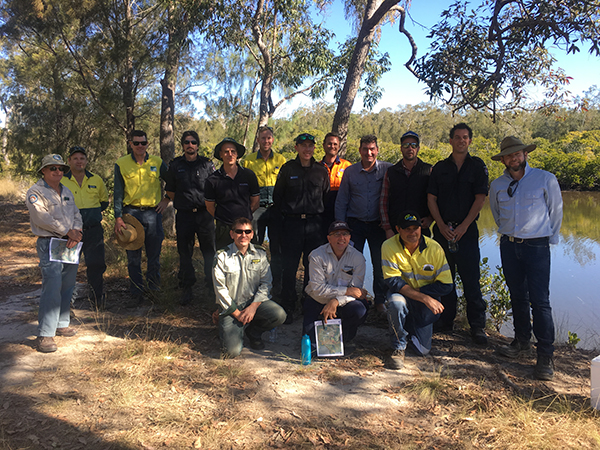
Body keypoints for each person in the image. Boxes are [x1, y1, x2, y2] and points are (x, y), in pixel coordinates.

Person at [489, 136, 563, 380]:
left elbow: (556, 213)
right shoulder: (497, 184)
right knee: (517, 296)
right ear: (503, 159)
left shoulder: (544, 179)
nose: (513, 158)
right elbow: (497, 215)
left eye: (517, 154)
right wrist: (512, 234)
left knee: (540, 302)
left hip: (537, 248)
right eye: (508, 155)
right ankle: (521, 342)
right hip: (509, 246)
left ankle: (545, 356)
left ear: (525, 155)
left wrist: (545, 240)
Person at [427, 123, 489, 345]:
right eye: (457, 137)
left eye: (465, 137)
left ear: (470, 141)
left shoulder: (478, 166)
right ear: (450, 141)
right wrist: (441, 225)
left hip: (467, 232)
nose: (461, 140)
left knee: (471, 280)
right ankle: (445, 320)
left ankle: (477, 327)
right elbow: (431, 199)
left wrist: (463, 226)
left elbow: (480, 199)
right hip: (443, 232)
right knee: (445, 279)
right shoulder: (440, 168)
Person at [381, 211, 453, 369]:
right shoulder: (388, 246)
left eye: (415, 228)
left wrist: (422, 294)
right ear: (398, 229)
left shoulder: (435, 248)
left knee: (423, 350)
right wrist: (424, 298)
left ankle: (410, 328)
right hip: (402, 294)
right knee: (395, 304)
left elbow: (446, 285)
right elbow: (393, 282)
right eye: (407, 229)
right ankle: (398, 346)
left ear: (421, 228)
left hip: (425, 296)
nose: (412, 232)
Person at [26, 154, 83, 353]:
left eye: (60, 169)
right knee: (52, 286)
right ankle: (45, 334)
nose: (58, 172)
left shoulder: (66, 190)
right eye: (53, 168)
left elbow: (76, 213)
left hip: (70, 243)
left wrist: (77, 232)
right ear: (43, 171)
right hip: (49, 242)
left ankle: (62, 323)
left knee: (68, 284)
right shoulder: (35, 192)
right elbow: (42, 217)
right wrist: (67, 231)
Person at [272, 133, 330, 323]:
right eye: (303, 145)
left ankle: (309, 301)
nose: (307, 149)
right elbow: (277, 197)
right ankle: (288, 303)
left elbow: (326, 198)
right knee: (289, 266)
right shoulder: (287, 169)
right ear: (296, 147)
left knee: (312, 266)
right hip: (292, 224)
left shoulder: (321, 171)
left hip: (315, 225)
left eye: (310, 146)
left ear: (315, 148)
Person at [213, 217, 287, 358]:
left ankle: (253, 332)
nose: (243, 235)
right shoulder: (222, 256)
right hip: (232, 307)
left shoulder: (260, 254)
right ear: (232, 234)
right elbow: (220, 289)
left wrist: (253, 306)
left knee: (279, 315)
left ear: (252, 234)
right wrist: (237, 314)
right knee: (231, 352)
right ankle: (231, 329)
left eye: (247, 231)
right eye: (239, 231)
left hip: (253, 303)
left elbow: (266, 283)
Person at [335, 134, 392, 311]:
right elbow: (342, 200)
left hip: (378, 225)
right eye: (365, 149)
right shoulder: (350, 172)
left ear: (377, 150)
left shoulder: (387, 169)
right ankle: (353, 297)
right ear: (360, 150)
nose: (369, 153)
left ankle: (380, 300)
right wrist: (340, 228)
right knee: (351, 263)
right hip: (355, 225)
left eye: (372, 149)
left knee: (379, 263)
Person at [114, 130, 170, 306]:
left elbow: (172, 181)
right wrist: (118, 217)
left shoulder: (157, 162)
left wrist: (167, 199)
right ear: (130, 144)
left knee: (154, 256)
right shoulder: (121, 164)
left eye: (143, 143)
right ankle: (136, 293)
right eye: (136, 143)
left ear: (147, 144)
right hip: (131, 215)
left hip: (153, 214)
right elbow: (117, 192)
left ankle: (154, 290)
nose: (140, 146)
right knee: (133, 258)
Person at [164, 131, 216, 305]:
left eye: (193, 142)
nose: (190, 145)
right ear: (183, 145)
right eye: (186, 142)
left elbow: (215, 188)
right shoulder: (175, 165)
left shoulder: (207, 165)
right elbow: (170, 190)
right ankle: (187, 287)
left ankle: (211, 285)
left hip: (204, 215)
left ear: (198, 145)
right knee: (184, 252)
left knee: (209, 251)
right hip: (184, 215)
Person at [304, 220, 369, 350]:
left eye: (345, 234)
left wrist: (336, 301)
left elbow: (356, 292)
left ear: (350, 237)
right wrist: (347, 291)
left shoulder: (358, 258)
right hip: (317, 300)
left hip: (343, 303)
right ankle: (321, 332)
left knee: (360, 310)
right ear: (329, 238)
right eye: (336, 234)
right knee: (313, 348)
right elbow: (318, 290)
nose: (341, 238)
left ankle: (344, 338)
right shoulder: (316, 255)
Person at [241, 126, 287, 292]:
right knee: (255, 247)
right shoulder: (248, 161)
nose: (266, 141)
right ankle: (254, 282)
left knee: (277, 248)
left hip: (276, 210)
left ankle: (277, 285)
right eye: (263, 138)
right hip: (256, 209)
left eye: (269, 138)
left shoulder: (281, 160)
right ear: (258, 140)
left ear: (272, 140)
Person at [62, 146, 109, 309]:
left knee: (96, 265)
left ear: (86, 161)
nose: (79, 161)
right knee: (68, 267)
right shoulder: (62, 180)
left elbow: (104, 202)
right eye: (75, 158)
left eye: (82, 158)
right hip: (70, 233)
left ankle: (97, 299)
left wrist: (90, 216)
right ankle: (66, 304)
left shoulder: (96, 180)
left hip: (93, 231)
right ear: (69, 161)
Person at [205, 138, 260, 251]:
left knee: (250, 261)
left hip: (246, 228)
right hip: (224, 229)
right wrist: (224, 218)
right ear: (221, 155)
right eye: (226, 152)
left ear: (237, 154)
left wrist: (243, 218)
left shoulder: (248, 175)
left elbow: (255, 202)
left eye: (233, 151)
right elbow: (210, 206)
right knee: (225, 261)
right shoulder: (212, 180)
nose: (230, 154)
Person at [380, 131, 432, 239]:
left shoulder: (429, 170)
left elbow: (436, 199)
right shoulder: (391, 172)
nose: (410, 148)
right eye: (406, 145)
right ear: (401, 148)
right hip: (396, 230)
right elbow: (383, 202)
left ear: (418, 148)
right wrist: (387, 228)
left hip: (420, 229)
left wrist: (430, 218)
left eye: (413, 145)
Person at [319, 133, 351, 237]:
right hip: (322, 212)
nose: (332, 146)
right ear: (324, 145)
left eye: (335, 144)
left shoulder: (347, 166)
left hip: (342, 211)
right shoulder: (317, 167)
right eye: (329, 144)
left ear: (339, 146)